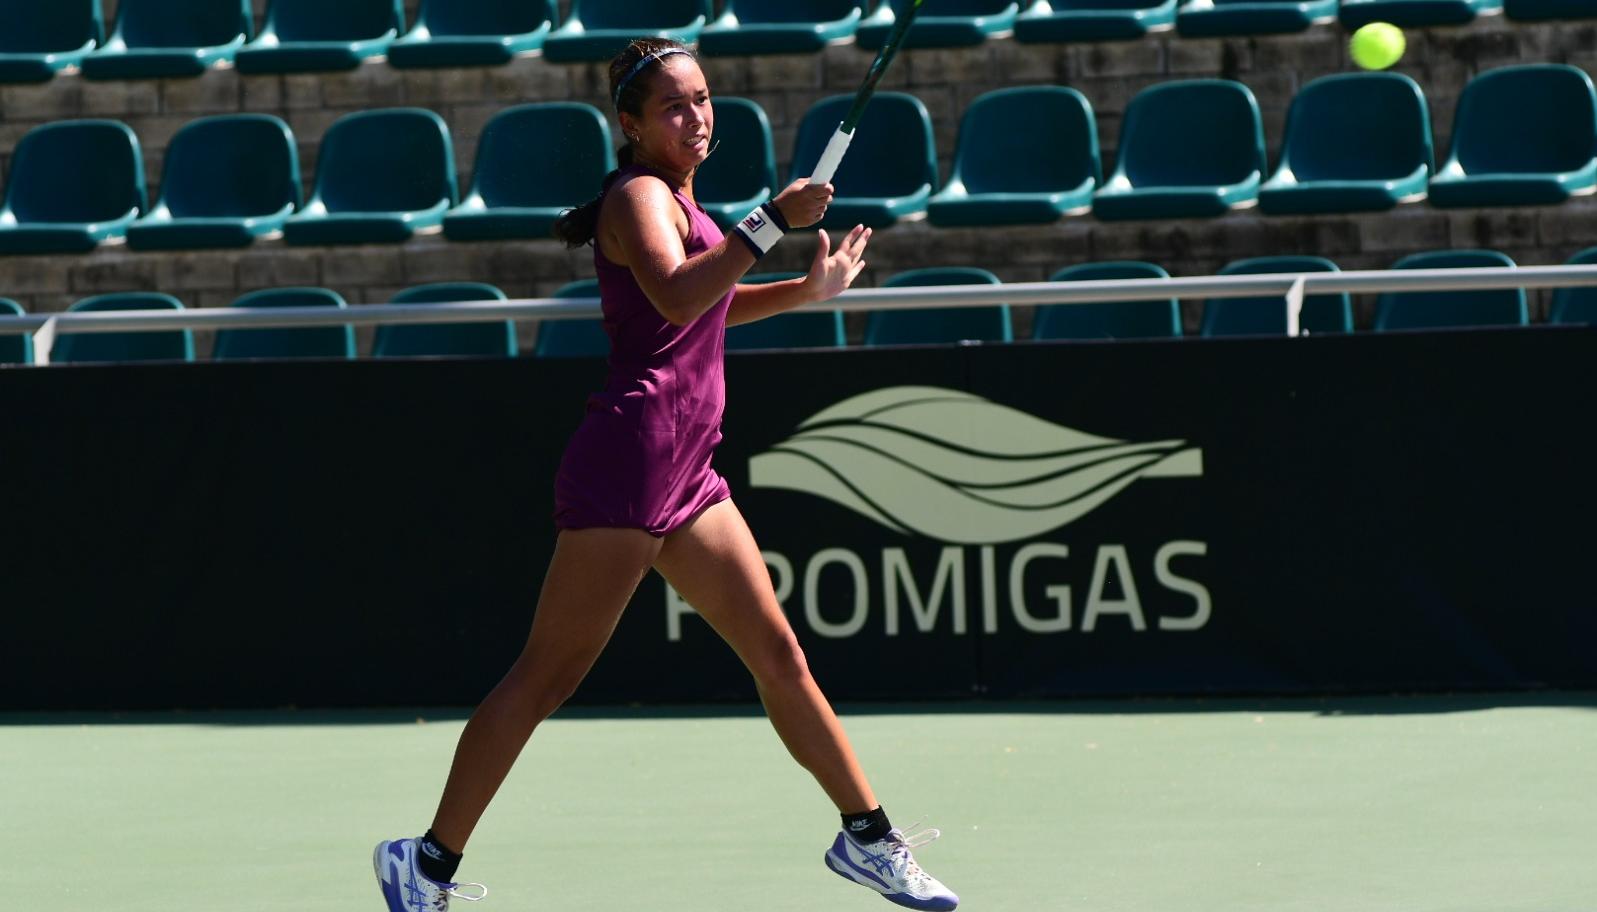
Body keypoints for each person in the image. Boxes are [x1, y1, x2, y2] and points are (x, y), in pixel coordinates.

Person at [373, 37, 958, 912]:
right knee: (547, 677)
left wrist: (806, 289)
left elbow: (707, 306)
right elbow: (680, 292)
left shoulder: (684, 198)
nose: (696, 117)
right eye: (675, 106)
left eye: (703, 99)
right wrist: (771, 220)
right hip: (630, 464)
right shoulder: (640, 195)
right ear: (632, 126)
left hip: (687, 472)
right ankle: (425, 861)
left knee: (778, 655)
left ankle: (867, 836)